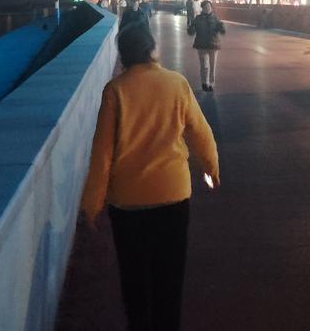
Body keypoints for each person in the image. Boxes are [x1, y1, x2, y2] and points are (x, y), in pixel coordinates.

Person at [82, 23, 219, 331]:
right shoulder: (176, 83)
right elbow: (201, 133)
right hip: (173, 194)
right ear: (151, 49)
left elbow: (102, 153)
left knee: (135, 278)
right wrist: (210, 168)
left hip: (128, 202)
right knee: (169, 276)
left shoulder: (115, 91)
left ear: (124, 54)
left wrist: (92, 203)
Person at [187, 0, 226, 91]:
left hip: (213, 45)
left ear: (211, 8)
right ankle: (204, 82)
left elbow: (222, 31)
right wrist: (190, 29)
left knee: (212, 66)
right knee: (204, 65)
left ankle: (212, 83)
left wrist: (222, 27)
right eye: (206, 7)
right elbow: (192, 32)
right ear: (202, 8)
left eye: (209, 7)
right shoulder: (198, 19)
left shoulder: (215, 18)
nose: (207, 8)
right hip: (202, 45)